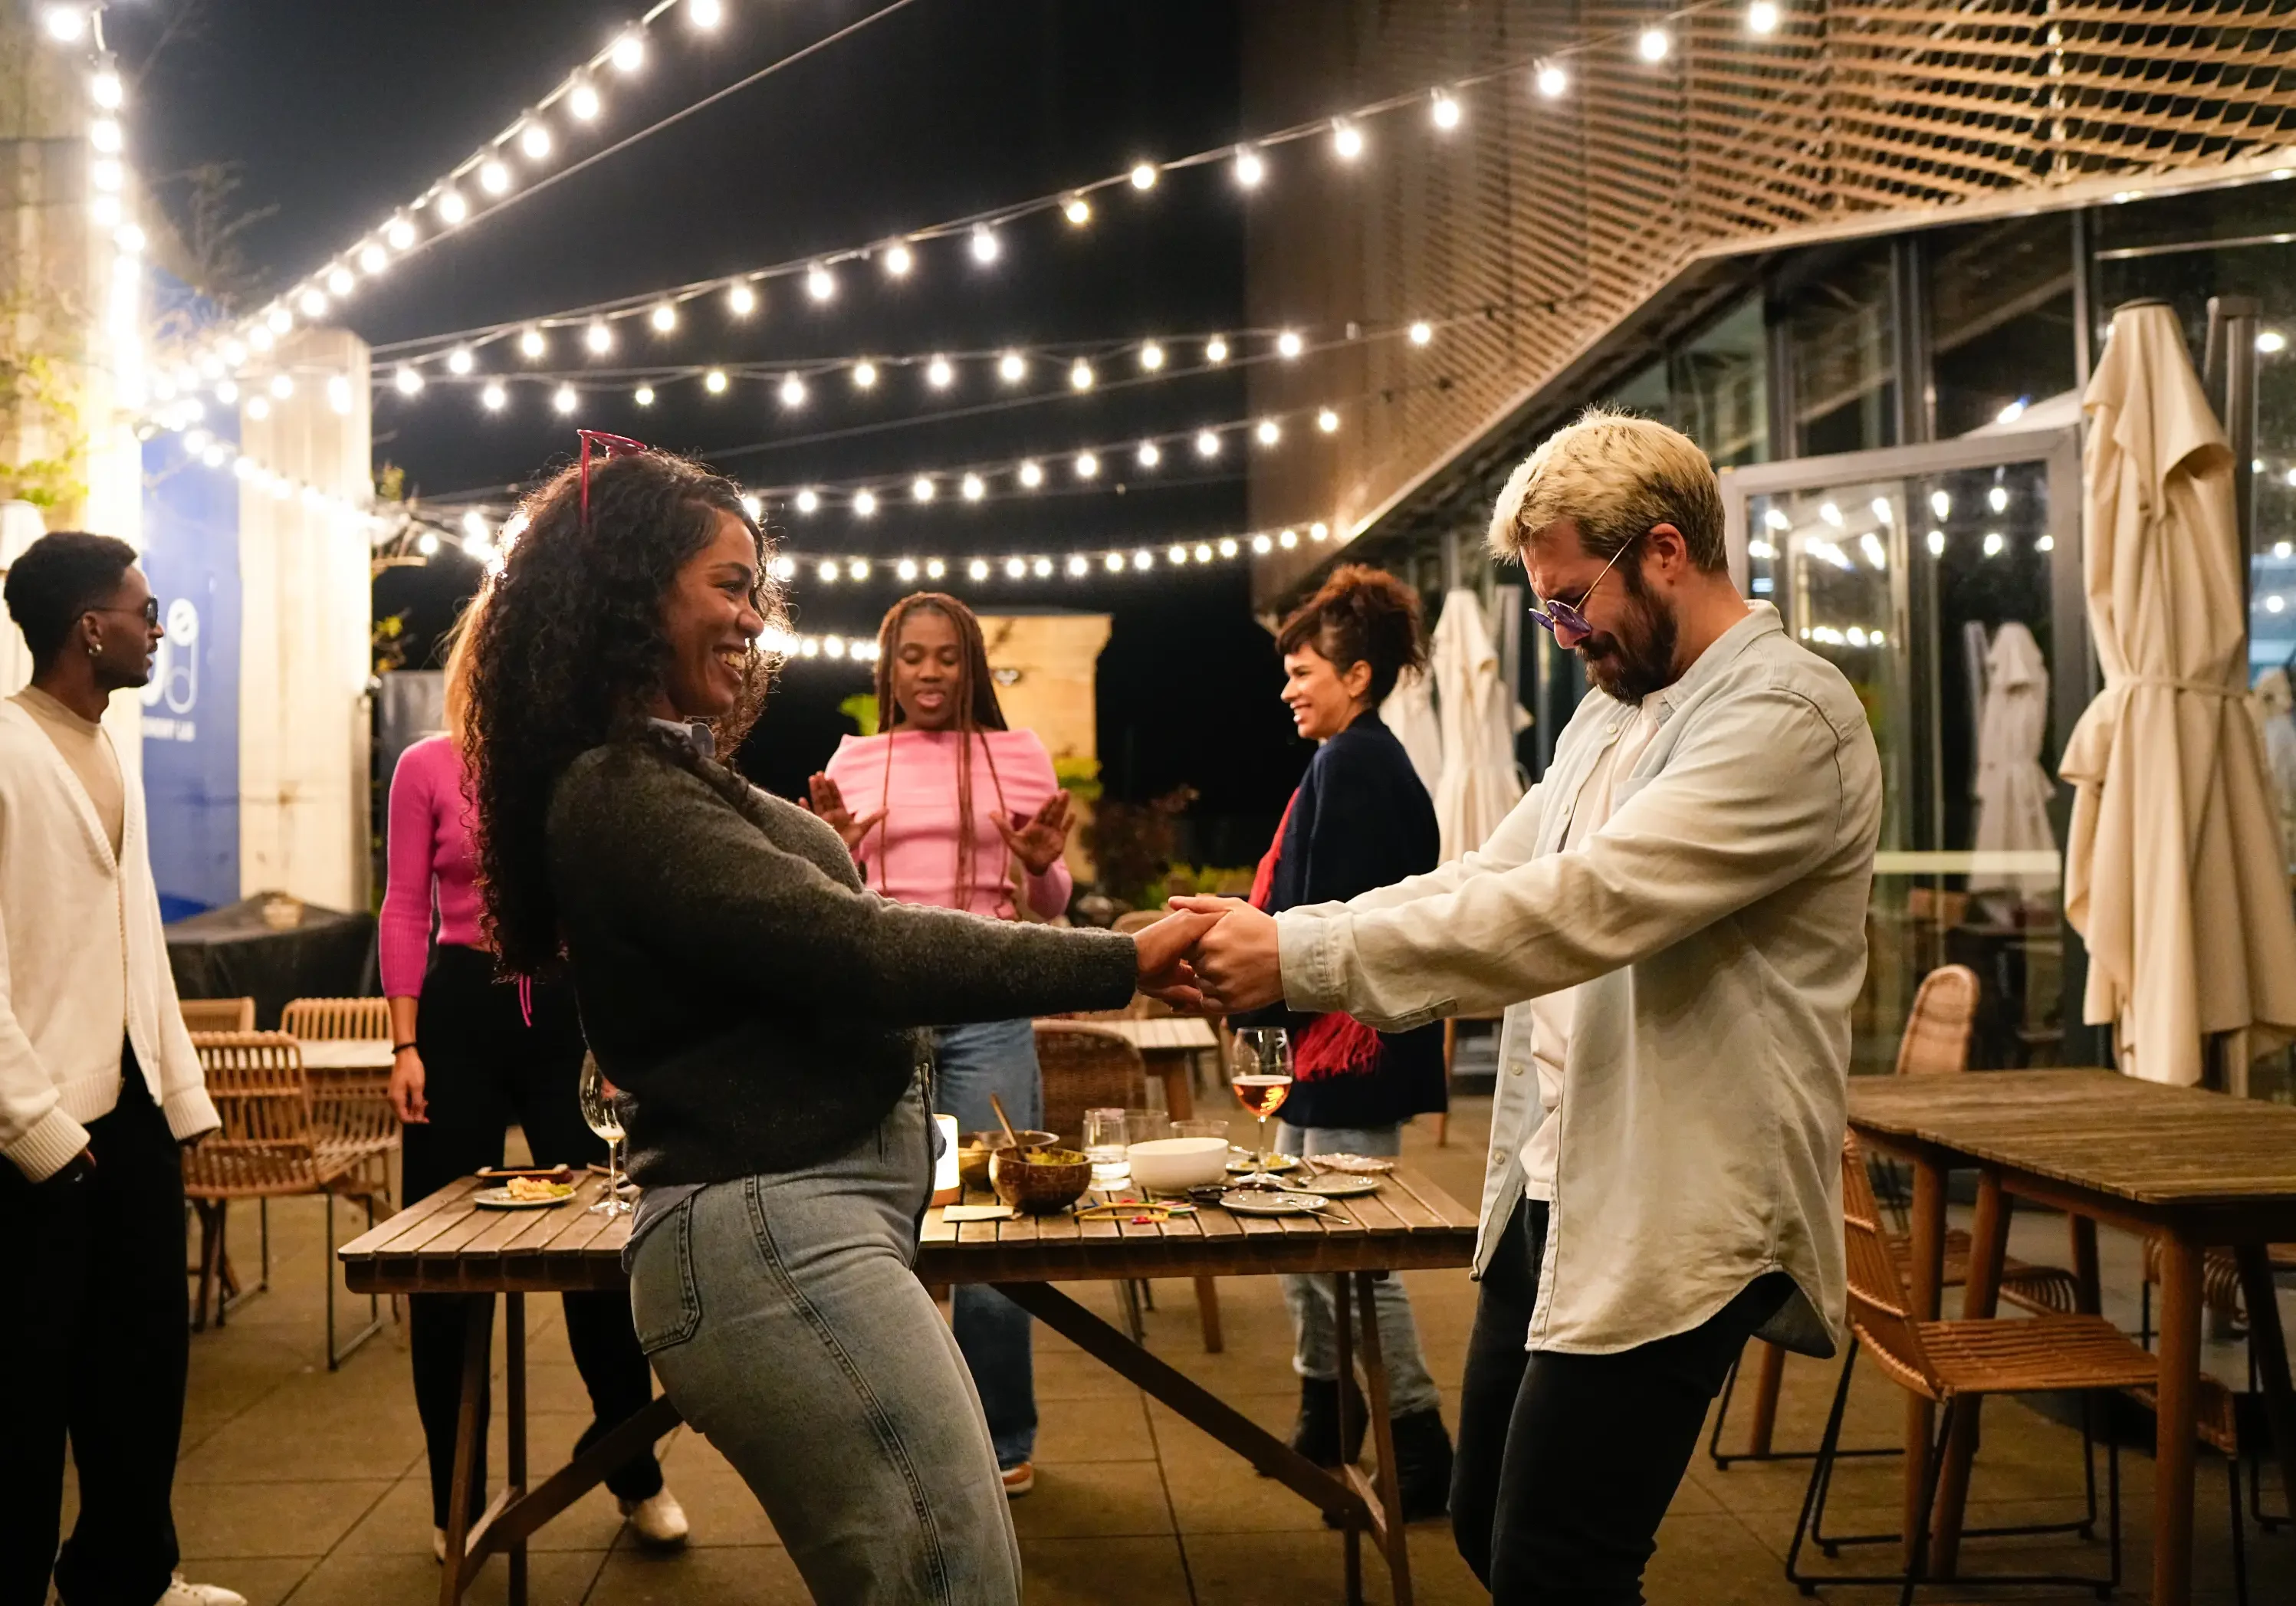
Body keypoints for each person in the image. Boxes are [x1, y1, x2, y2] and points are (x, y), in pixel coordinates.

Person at [459, 439, 1214, 1605]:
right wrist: (1123, 957)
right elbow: (858, 945)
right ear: (629, 589)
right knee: (947, 1577)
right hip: (770, 1237)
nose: (755, 618)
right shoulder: (620, 792)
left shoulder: (675, 775)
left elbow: (838, 929)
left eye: (755, 588)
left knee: (950, 1571)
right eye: (727, 584)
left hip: (809, 1229)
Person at [1178, 408, 1883, 1602]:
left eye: (1568, 600)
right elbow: (1489, 873)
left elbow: (1576, 905)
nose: (1562, 635)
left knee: (1559, 1561)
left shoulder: (1785, 718)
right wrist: (1282, 930)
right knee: (1485, 1520)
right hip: (1554, 1180)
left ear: (1663, 550)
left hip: (1683, 1200)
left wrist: (1300, 952)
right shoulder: (1613, 710)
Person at [381, 595, 686, 1562]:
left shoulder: (577, 763)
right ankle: (453, 1499)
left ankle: (632, 1472)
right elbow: (402, 906)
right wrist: (403, 1043)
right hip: (460, 1009)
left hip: (565, 1010)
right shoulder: (426, 765)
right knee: (442, 1266)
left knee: (608, 1255)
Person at [1, 532, 244, 1606]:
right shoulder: (6, 748)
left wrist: (181, 1095)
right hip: (42, 1135)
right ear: (87, 626)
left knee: (143, 1370)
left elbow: (136, 935)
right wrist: (38, 1129)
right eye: (143, 609)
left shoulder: (110, 750)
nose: (158, 626)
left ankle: (127, 1576)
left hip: (135, 1112)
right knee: (24, 1392)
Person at [806, 591, 1077, 1499]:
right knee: (880, 1227)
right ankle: (902, 1433)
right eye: (911, 657)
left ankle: (1001, 1438)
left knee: (994, 1220)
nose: (928, 673)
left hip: (989, 1000)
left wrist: (1039, 864)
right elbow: (833, 906)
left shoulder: (1016, 755)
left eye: (946, 657)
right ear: (888, 670)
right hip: (884, 1008)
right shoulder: (855, 759)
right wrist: (832, 855)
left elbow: (1054, 902)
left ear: (971, 667)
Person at [1233, 563, 1453, 1516]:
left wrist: (1256, 989)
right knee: (1301, 1245)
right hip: (1332, 1046)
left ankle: (1417, 1441)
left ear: (1356, 676)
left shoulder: (1356, 762)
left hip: (1345, 1046)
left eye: (1303, 671)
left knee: (1356, 1256)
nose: (1287, 688)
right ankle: (1326, 1416)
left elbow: (1329, 919)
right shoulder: (1353, 757)